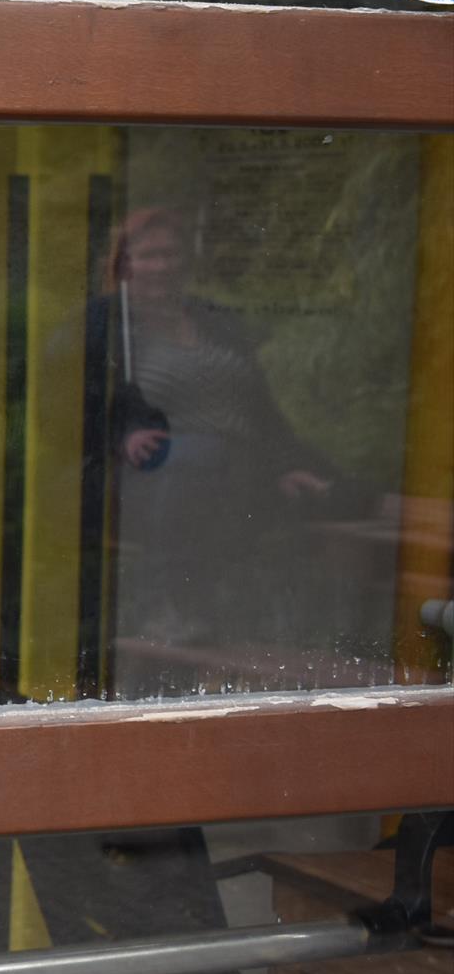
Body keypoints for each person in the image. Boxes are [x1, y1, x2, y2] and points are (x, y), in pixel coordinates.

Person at [95, 208, 336, 687]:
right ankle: (166, 611)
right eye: (149, 255)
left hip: (238, 473)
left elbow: (259, 409)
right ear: (124, 264)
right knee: (198, 461)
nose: (163, 265)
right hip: (150, 479)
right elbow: (67, 401)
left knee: (334, 493)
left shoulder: (214, 321)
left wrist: (284, 466)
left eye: (171, 254)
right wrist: (121, 434)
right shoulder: (107, 323)